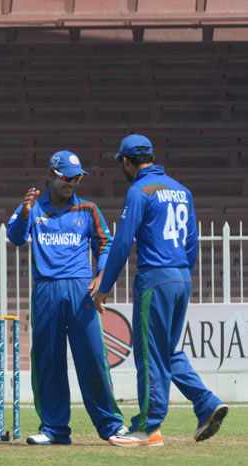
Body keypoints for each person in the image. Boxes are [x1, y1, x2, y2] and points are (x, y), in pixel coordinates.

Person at [94, 134, 228, 447]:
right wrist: (180, 274)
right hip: (181, 276)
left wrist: (105, 285)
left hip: (154, 279)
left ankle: (147, 427)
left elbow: (123, 241)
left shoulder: (139, 191)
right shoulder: (182, 191)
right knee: (166, 351)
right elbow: (192, 243)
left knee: (149, 355)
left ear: (126, 161)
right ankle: (206, 403)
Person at [6, 150, 126, 445]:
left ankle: (111, 426)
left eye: (77, 178)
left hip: (80, 290)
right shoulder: (33, 207)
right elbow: (16, 237)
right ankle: (54, 429)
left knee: (93, 358)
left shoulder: (88, 209)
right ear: (50, 175)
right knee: (48, 360)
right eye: (66, 177)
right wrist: (23, 213)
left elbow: (106, 244)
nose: (72, 183)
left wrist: (100, 275)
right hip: (46, 289)